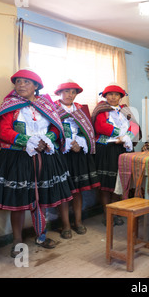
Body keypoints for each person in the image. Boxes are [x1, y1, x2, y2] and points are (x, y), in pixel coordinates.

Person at [0, 68, 74, 257]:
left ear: (36, 87)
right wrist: (27, 141)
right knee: (19, 201)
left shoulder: (46, 105)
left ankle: (41, 235)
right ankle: (17, 240)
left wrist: (46, 138)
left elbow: (57, 127)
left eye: (26, 82)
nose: (21, 85)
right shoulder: (10, 105)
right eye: (18, 82)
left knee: (42, 199)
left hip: (45, 158)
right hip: (17, 159)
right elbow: (4, 130)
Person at [54, 81, 101, 238]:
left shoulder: (81, 110)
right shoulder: (53, 109)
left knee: (78, 191)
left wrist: (80, 143)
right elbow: (49, 130)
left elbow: (88, 131)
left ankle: (78, 222)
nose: (70, 95)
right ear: (59, 93)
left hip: (78, 153)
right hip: (61, 155)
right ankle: (66, 224)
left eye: (73, 92)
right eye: (66, 91)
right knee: (64, 191)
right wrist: (67, 143)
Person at [91, 82, 140, 225]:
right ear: (105, 96)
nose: (113, 97)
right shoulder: (101, 110)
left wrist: (127, 137)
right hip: (106, 149)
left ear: (121, 97)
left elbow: (135, 126)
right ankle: (107, 214)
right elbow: (100, 126)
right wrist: (121, 134)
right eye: (110, 94)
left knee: (118, 183)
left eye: (116, 95)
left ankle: (116, 212)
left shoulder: (125, 110)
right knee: (107, 183)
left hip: (122, 148)